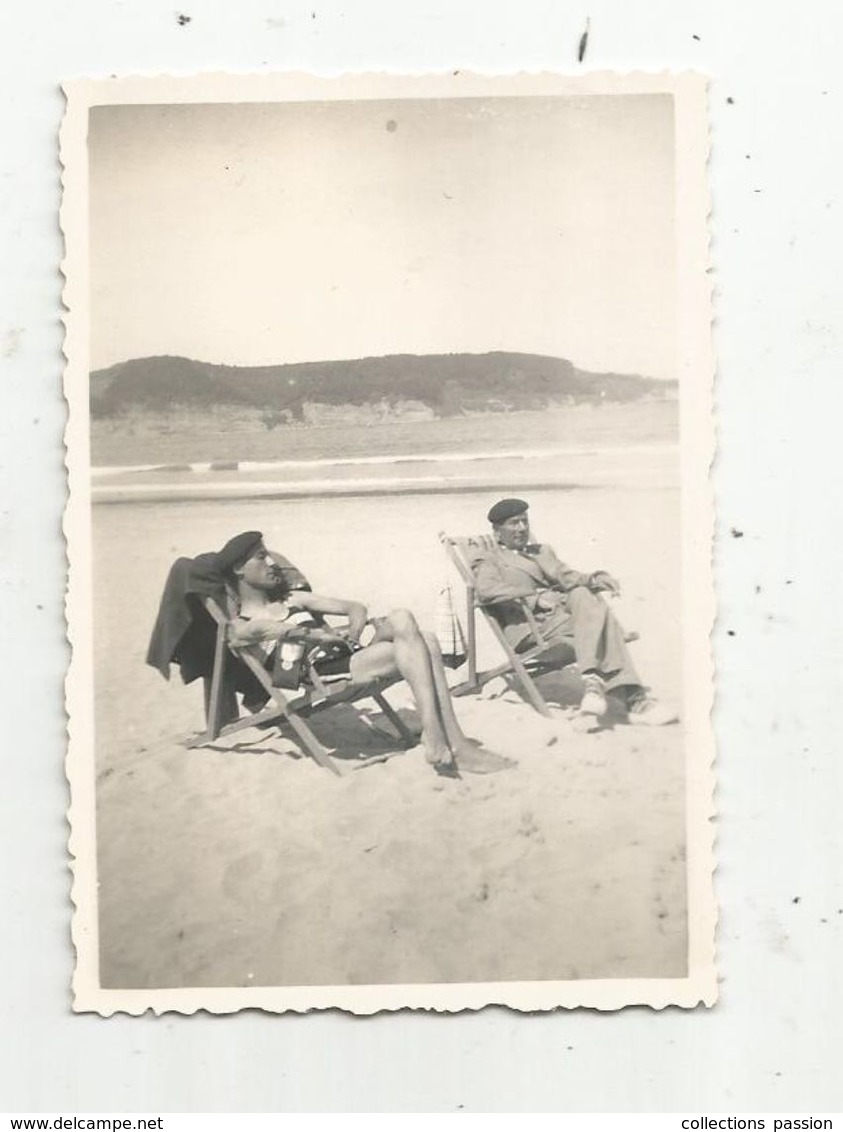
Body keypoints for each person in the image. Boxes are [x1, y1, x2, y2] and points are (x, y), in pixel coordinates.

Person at [220, 531, 514, 776]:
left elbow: (356, 608)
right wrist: (311, 634)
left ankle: (436, 735)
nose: (271, 563)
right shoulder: (240, 624)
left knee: (403, 618)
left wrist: (351, 634)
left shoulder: (293, 598)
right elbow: (252, 634)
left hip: (350, 655)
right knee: (425, 640)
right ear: (238, 570)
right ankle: (453, 742)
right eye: (261, 557)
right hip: (322, 673)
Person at [469, 499, 677, 727]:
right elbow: (485, 590)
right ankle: (635, 701)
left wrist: (595, 578)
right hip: (530, 627)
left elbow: (570, 578)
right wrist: (534, 598)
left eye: (524, 521)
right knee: (603, 624)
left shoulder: (542, 551)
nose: (521, 528)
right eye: (513, 523)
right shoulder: (489, 558)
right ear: (497, 531)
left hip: (562, 618)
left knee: (582, 593)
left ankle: (593, 683)